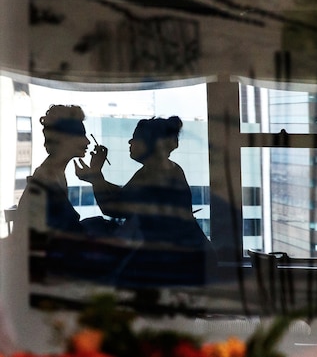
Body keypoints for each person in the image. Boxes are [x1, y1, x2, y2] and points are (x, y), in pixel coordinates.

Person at [75, 116, 217, 284]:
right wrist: (95, 178)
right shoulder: (167, 168)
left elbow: (113, 208)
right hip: (190, 256)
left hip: (180, 261)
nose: (130, 142)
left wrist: (96, 176)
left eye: (135, 138)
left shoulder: (153, 173)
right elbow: (127, 195)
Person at [18, 105, 89, 235]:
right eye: (81, 135)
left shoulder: (55, 173)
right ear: (64, 139)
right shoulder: (47, 179)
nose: (88, 141)